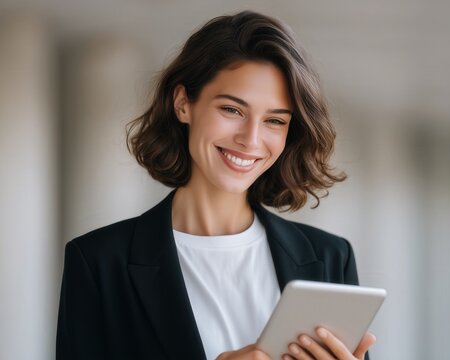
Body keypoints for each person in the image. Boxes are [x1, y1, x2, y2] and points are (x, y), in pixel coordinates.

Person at [56, 10, 376, 360]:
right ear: (183, 104)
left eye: (274, 120)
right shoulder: (99, 263)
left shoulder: (330, 258)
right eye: (232, 110)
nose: (250, 140)